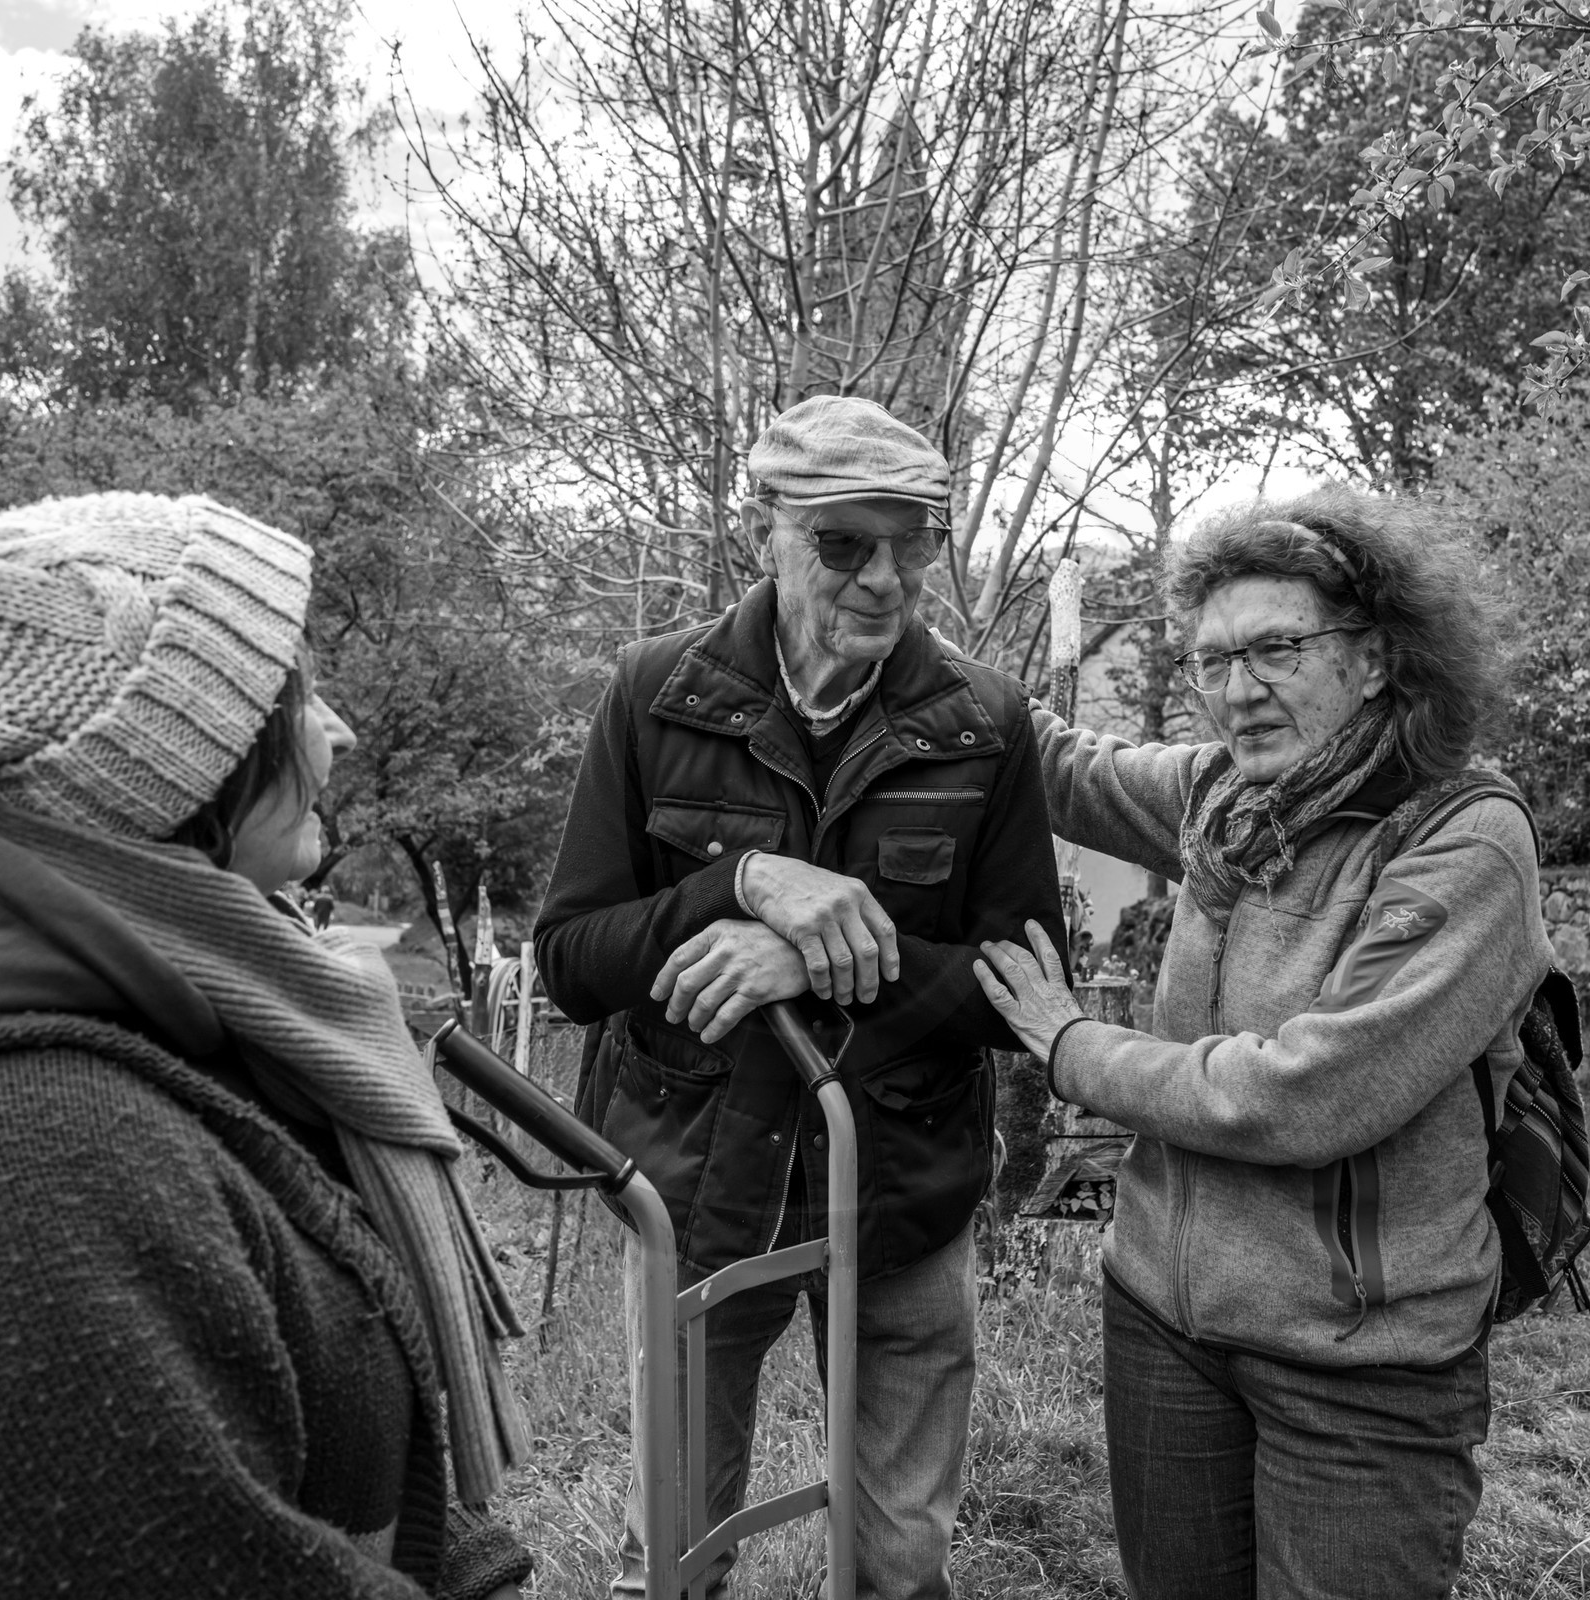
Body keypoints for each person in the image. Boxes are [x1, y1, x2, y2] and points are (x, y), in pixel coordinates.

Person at [973, 485, 1552, 1600]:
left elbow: (1304, 1095)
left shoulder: (1460, 839)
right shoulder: (1220, 798)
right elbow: (1052, 760)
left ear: (1376, 658)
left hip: (1357, 1367)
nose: (1238, 692)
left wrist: (1070, 1045)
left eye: (1277, 648)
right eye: (1211, 661)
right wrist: (887, 606)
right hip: (1162, 1322)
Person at [534, 394, 1066, 1600]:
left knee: (894, 1559)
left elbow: (1022, 989)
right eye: (844, 544)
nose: (885, 578)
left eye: (913, 541)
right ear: (765, 531)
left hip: (899, 1189)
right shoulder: (654, 693)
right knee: (670, 1550)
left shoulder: (983, 722)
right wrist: (741, 884)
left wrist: (811, 961)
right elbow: (571, 958)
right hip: (695, 1177)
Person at [0, 493, 533, 1599]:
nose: (338, 730)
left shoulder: (193, 1017)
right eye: (291, 695)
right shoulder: (54, 1155)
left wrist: (463, 1555)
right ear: (177, 766)